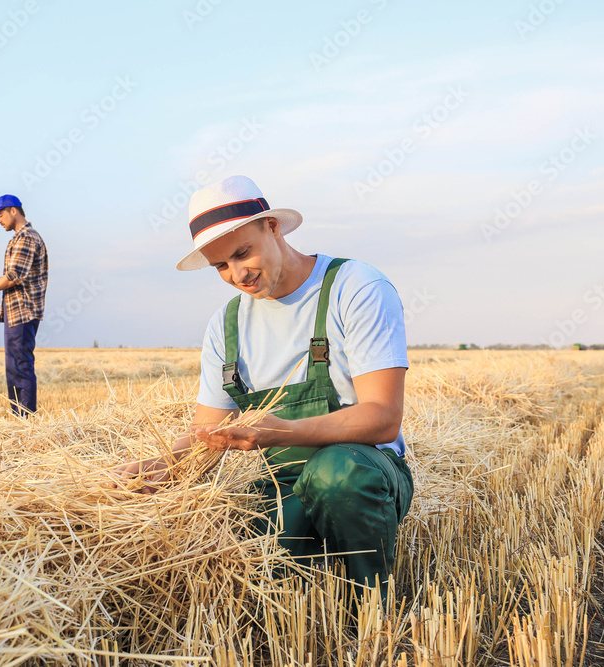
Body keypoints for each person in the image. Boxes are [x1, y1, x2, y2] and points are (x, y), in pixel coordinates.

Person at [117, 175, 413, 597]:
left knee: (336, 476)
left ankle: (374, 608)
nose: (238, 274)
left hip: (363, 468)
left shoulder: (356, 287)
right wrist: (164, 465)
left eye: (242, 253)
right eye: (221, 266)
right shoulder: (226, 324)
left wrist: (278, 432)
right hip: (281, 482)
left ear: (272, 227)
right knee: (245, 567)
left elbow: (382, 417)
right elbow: (207, 435)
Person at [0, 194, 48, 416]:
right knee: (15, 367)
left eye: (0, 214)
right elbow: (16, 275)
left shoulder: (26, 238)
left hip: (22, 311)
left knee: (20, 367)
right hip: (18, 311)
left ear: (14, 211)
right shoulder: (21, 238)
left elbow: (14, 275)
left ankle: (24, 421)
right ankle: (20, 419)